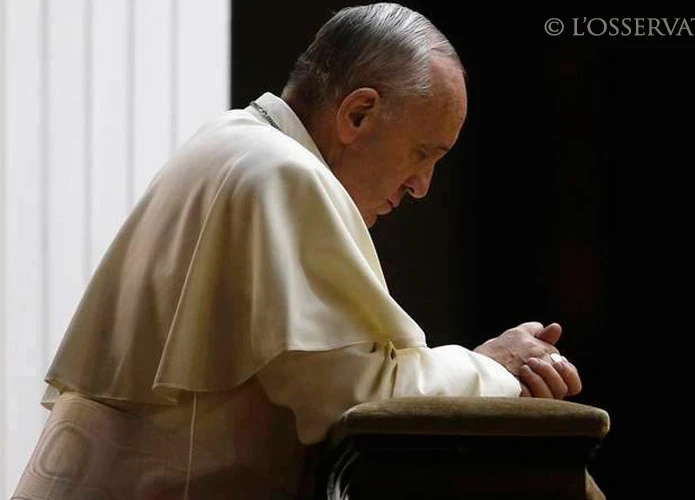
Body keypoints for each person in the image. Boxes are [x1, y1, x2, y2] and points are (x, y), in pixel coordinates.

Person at [13, 3, 601, 499]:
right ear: (358, 113)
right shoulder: (281, 173)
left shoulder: (235, 144)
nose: (421, 186)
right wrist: (492, 367)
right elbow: (354, 397)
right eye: (424, 153)